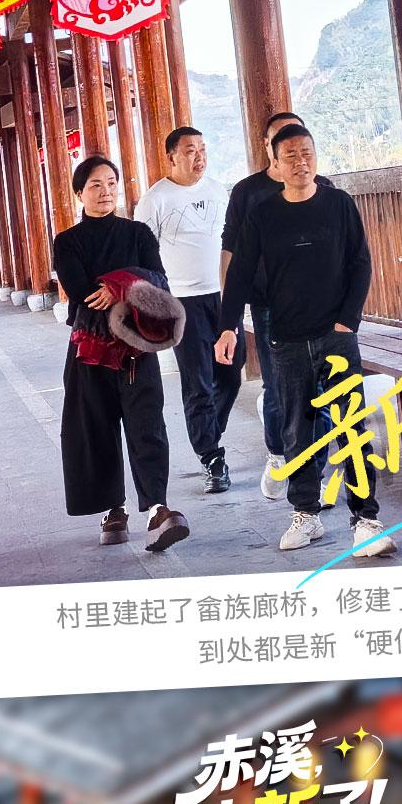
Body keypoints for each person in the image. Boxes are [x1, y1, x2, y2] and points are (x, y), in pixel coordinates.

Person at [215, 125, 395, 558]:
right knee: (297, 429)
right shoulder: (262, 215)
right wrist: (227, 326)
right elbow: (239, 275)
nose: (301, 162)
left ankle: (366, 520)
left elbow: (360, 263)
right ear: (276, 164)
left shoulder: (339, 204)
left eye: (307, 153)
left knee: (351, 427)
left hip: (336, 336)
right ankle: (306, 514)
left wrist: (347, 322)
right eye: (291, 156)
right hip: (286, 338)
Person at [52, 155, 190, 553]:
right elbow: (83, 293)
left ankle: (158, 510)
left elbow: (160, 281)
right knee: (97, 428)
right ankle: (114, 509)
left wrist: (118, 286)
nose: (105, 192)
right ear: (79, 193)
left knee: (148, 425)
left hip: (137, 348)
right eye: (95, 185)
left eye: (111, 183)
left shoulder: (138, 233)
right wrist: (130, 284)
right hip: (90, 349)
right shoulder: (67, 242)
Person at [220, 110, 332, 500]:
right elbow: (231, 249)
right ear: (269, 147)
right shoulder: (248, 192)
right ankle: (278, 452)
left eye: (301, 141)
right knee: (278, 388)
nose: (294, 148)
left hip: (318, 307)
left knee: (320, 390)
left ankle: (315, 475)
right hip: (269, 306)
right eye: (283, 139)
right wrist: (229, 313)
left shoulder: (324, 189)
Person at [135, 127, 244, 494]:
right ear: (172, 157)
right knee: (198, 382)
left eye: (202, 149)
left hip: (222, 296)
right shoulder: (155, 200)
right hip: (182, 302)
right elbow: (142, 255)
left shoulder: (216, 190)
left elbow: (232, 242)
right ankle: (212, 457)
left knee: (231, 374)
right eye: (190, 150)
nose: (199, 157)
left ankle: (208, 433)